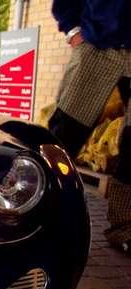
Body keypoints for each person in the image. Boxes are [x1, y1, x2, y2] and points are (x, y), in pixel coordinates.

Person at [49, 0, 131, 252]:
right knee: (63, 136)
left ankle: (124, 228)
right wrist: (73, 30)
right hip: (97, 46)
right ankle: (39, 216)